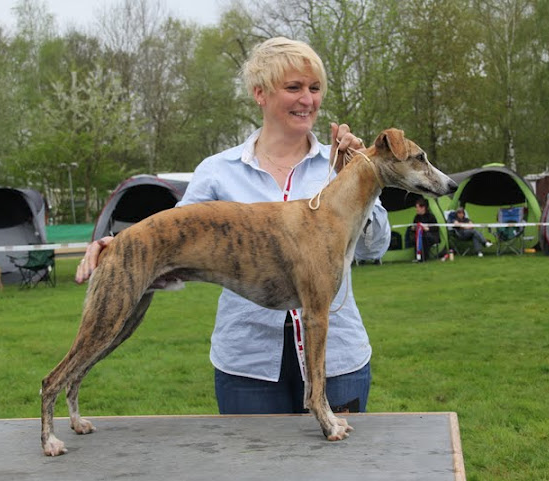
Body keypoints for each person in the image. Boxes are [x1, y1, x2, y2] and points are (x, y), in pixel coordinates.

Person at [75, 37, 391, 415]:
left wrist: (358, 182)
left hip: (339, 359)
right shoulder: (218, 171)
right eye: (293, 87)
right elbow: (167, 237)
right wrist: (117, 245)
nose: (307, 99)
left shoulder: (340, 164)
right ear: (260, 93)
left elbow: (374, 248)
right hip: (248, 365)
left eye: (315, 88)